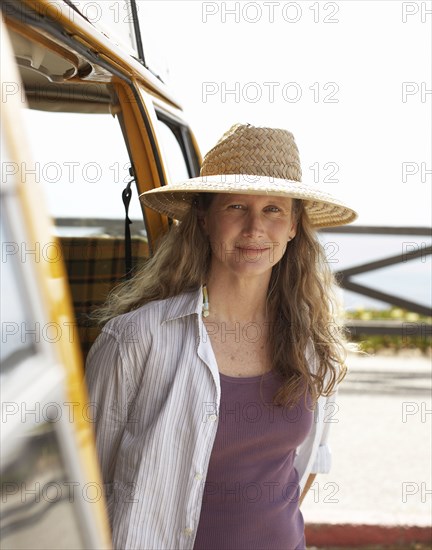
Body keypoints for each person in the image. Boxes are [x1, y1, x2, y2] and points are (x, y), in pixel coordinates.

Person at [85, 123, 357, 550]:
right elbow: (87, 484)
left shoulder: (313, 346)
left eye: (273, 210)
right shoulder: (137, 339)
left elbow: (305, 467)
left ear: (293, 226)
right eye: (235, 206)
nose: (254, 228)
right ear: (204, 218)